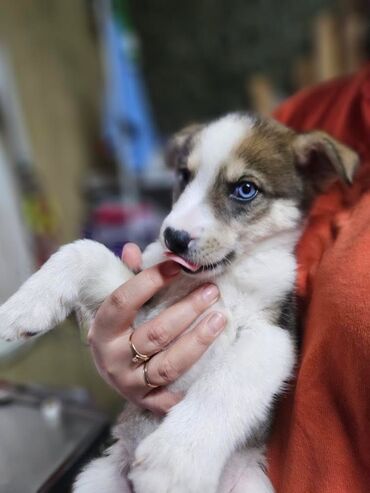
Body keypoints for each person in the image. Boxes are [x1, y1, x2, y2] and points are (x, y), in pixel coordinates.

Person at [88, 62, 370, 492]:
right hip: (157, 458)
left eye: (243, 189)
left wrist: (201, 432)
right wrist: (125, 351)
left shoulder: (305, 155)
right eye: (184, 178)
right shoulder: (302, 115)